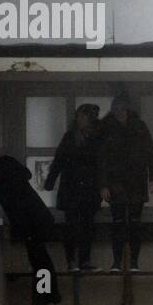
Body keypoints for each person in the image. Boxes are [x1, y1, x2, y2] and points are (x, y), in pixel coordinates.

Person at [0, 143, 61, 305]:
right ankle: (46, 295)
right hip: (36, 217)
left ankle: (45, 296)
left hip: (30, 221)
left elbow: (12, 195)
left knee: (39, 260)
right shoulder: (6, 164)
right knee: (40, 259)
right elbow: (27, 174)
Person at [99, 91, 153, 271]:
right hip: (115, 182)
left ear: (128, 110)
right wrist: (102, 184)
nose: (120, 112)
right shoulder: (107, 127)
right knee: (117, 224)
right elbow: (101, 158)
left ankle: (134, 263)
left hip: (136, 181)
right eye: (117, 109)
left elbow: (150, 154)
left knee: (134, 223)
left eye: (123, 109)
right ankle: (117, 262)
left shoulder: (139, 127)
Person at [44, 104, 102, 271]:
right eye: (79, 116)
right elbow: (59, 160)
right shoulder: (70, 137)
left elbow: (102, 163)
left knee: (87, 227)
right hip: (73, 187)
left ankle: (83, 261)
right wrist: (50, 181)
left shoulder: (96, 137)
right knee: (72, 227)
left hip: (87, 188)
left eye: (83, 116)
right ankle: (72, 261)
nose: (79, 119)